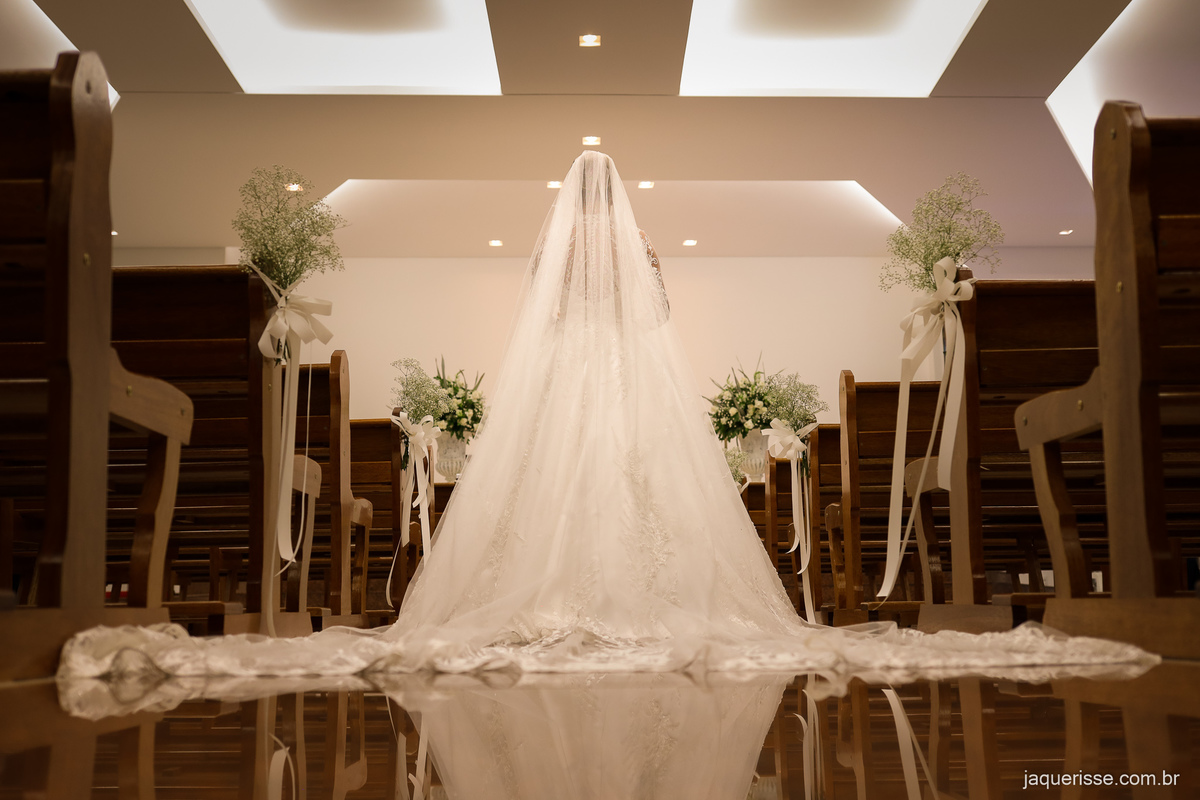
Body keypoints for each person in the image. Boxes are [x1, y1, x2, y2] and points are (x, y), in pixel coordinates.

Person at [59, 152, 1152, 680]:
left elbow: (548, 320)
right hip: (627, 379)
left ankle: (553, 596)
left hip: (569, 379)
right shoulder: (641, 271)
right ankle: (640, 597)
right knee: (640, 480)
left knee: (553, 481)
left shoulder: (551, 270)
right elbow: (655, 317)